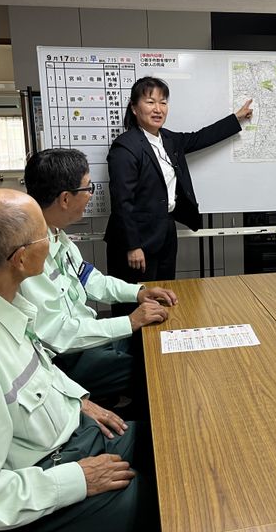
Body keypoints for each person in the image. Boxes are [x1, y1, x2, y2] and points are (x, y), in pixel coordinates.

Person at [0, 189, 156, 532]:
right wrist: (75, 480)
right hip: (44, 479)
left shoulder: (1, 303)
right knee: (165, 503)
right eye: (44, 236)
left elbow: (38, 368)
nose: (53, 244)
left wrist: (79, 401)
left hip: (71, 437)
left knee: (170, 442)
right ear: (21, 259)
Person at [20, 148, 177, 404]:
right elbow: (57, 335)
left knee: (156, 341)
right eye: (87, 188)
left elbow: (90, 279)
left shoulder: (56, 234)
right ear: (65, 199)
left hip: (87, 342)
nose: (91, 194)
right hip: (65, 360)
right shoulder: (30, 254)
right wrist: (130, 322)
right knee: (157, 366)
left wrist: (137, 292)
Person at [104, 76, 253, 285]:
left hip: (164, 232)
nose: (158, 109)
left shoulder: (168, 140)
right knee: (136, 302)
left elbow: (201, 137)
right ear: (135, 108)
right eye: (150, 102)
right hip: (137, 239)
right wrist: (132, 246)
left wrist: (236, 119)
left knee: (164, 292)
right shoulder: (125, 147)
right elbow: (122, 202)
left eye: (163, 102)